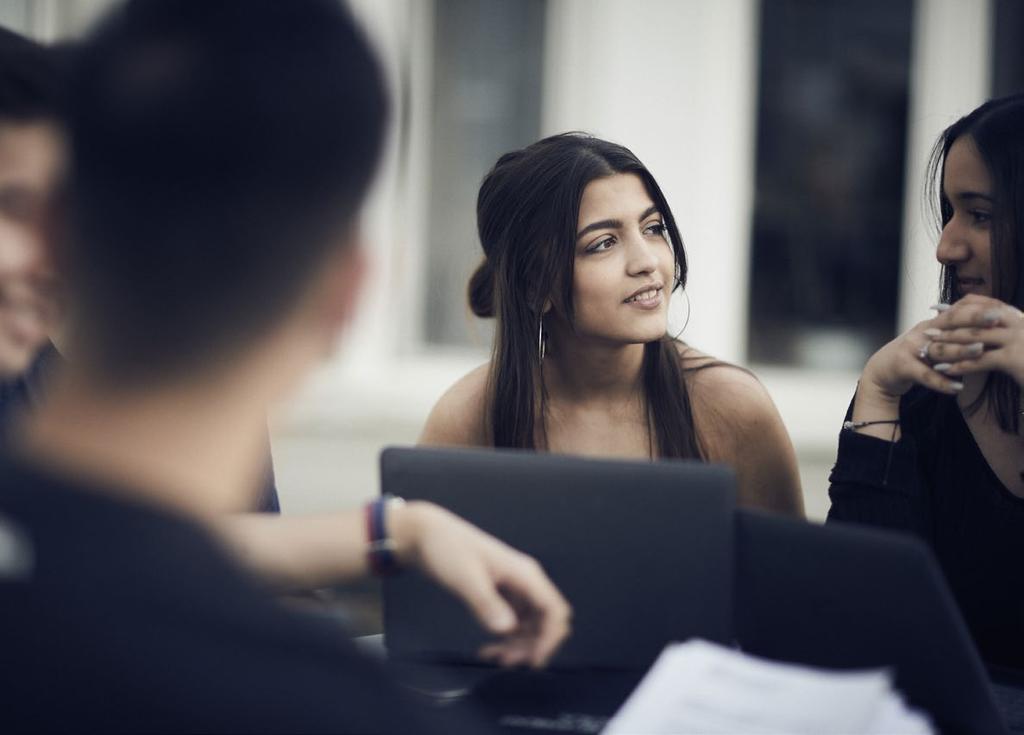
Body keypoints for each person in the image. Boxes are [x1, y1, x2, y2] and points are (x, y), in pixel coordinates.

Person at [0, 2, 569, 732]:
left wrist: (406, 528)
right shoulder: (334, 709)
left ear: (54, 230)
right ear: (348, 292)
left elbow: (141, 543)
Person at [421, 133, 804, 515]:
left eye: (653, 228)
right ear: (535, 284)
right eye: (603, 242)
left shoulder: (733, 408)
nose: (647, 262)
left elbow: (787, 574)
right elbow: (418, 568)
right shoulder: (470, 416)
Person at [828, 94, 1024, 669]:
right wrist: (877, 395)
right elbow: (862, 619)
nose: (946, 246)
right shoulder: (921, 391)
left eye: (981, 215)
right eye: (950, 212)